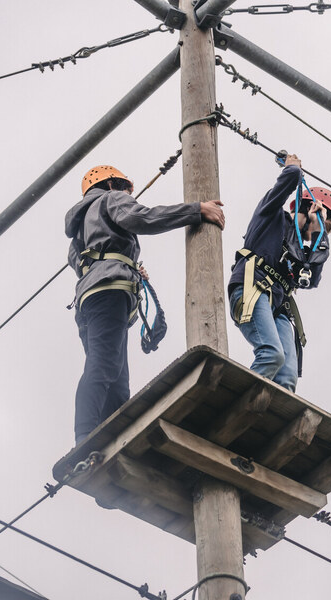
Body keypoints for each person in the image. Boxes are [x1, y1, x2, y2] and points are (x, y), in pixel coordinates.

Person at [66, 165, 225, 445]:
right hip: (110, 290)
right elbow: (143, 218)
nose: (129, 195)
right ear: (111, 184)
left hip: (88, 298)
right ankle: (84, 437)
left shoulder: (79, 228)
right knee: (104, 366)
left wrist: (129, 269)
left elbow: (87, 261)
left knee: (115, 379)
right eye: (126, 189)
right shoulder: (110, 198)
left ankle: (106, 442)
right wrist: (196, 210)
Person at [228, 154, 331, 392]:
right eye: (323, 226)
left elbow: (312, 279)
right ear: (310, 208)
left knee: (287, 376)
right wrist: (293, 169)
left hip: (278, 307)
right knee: (271, 354)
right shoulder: (271, 216)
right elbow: (288, 181)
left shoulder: (299, 252)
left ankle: (264, 412)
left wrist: (318, 231)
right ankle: (232, 404)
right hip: (252, 288)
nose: (319, 232)